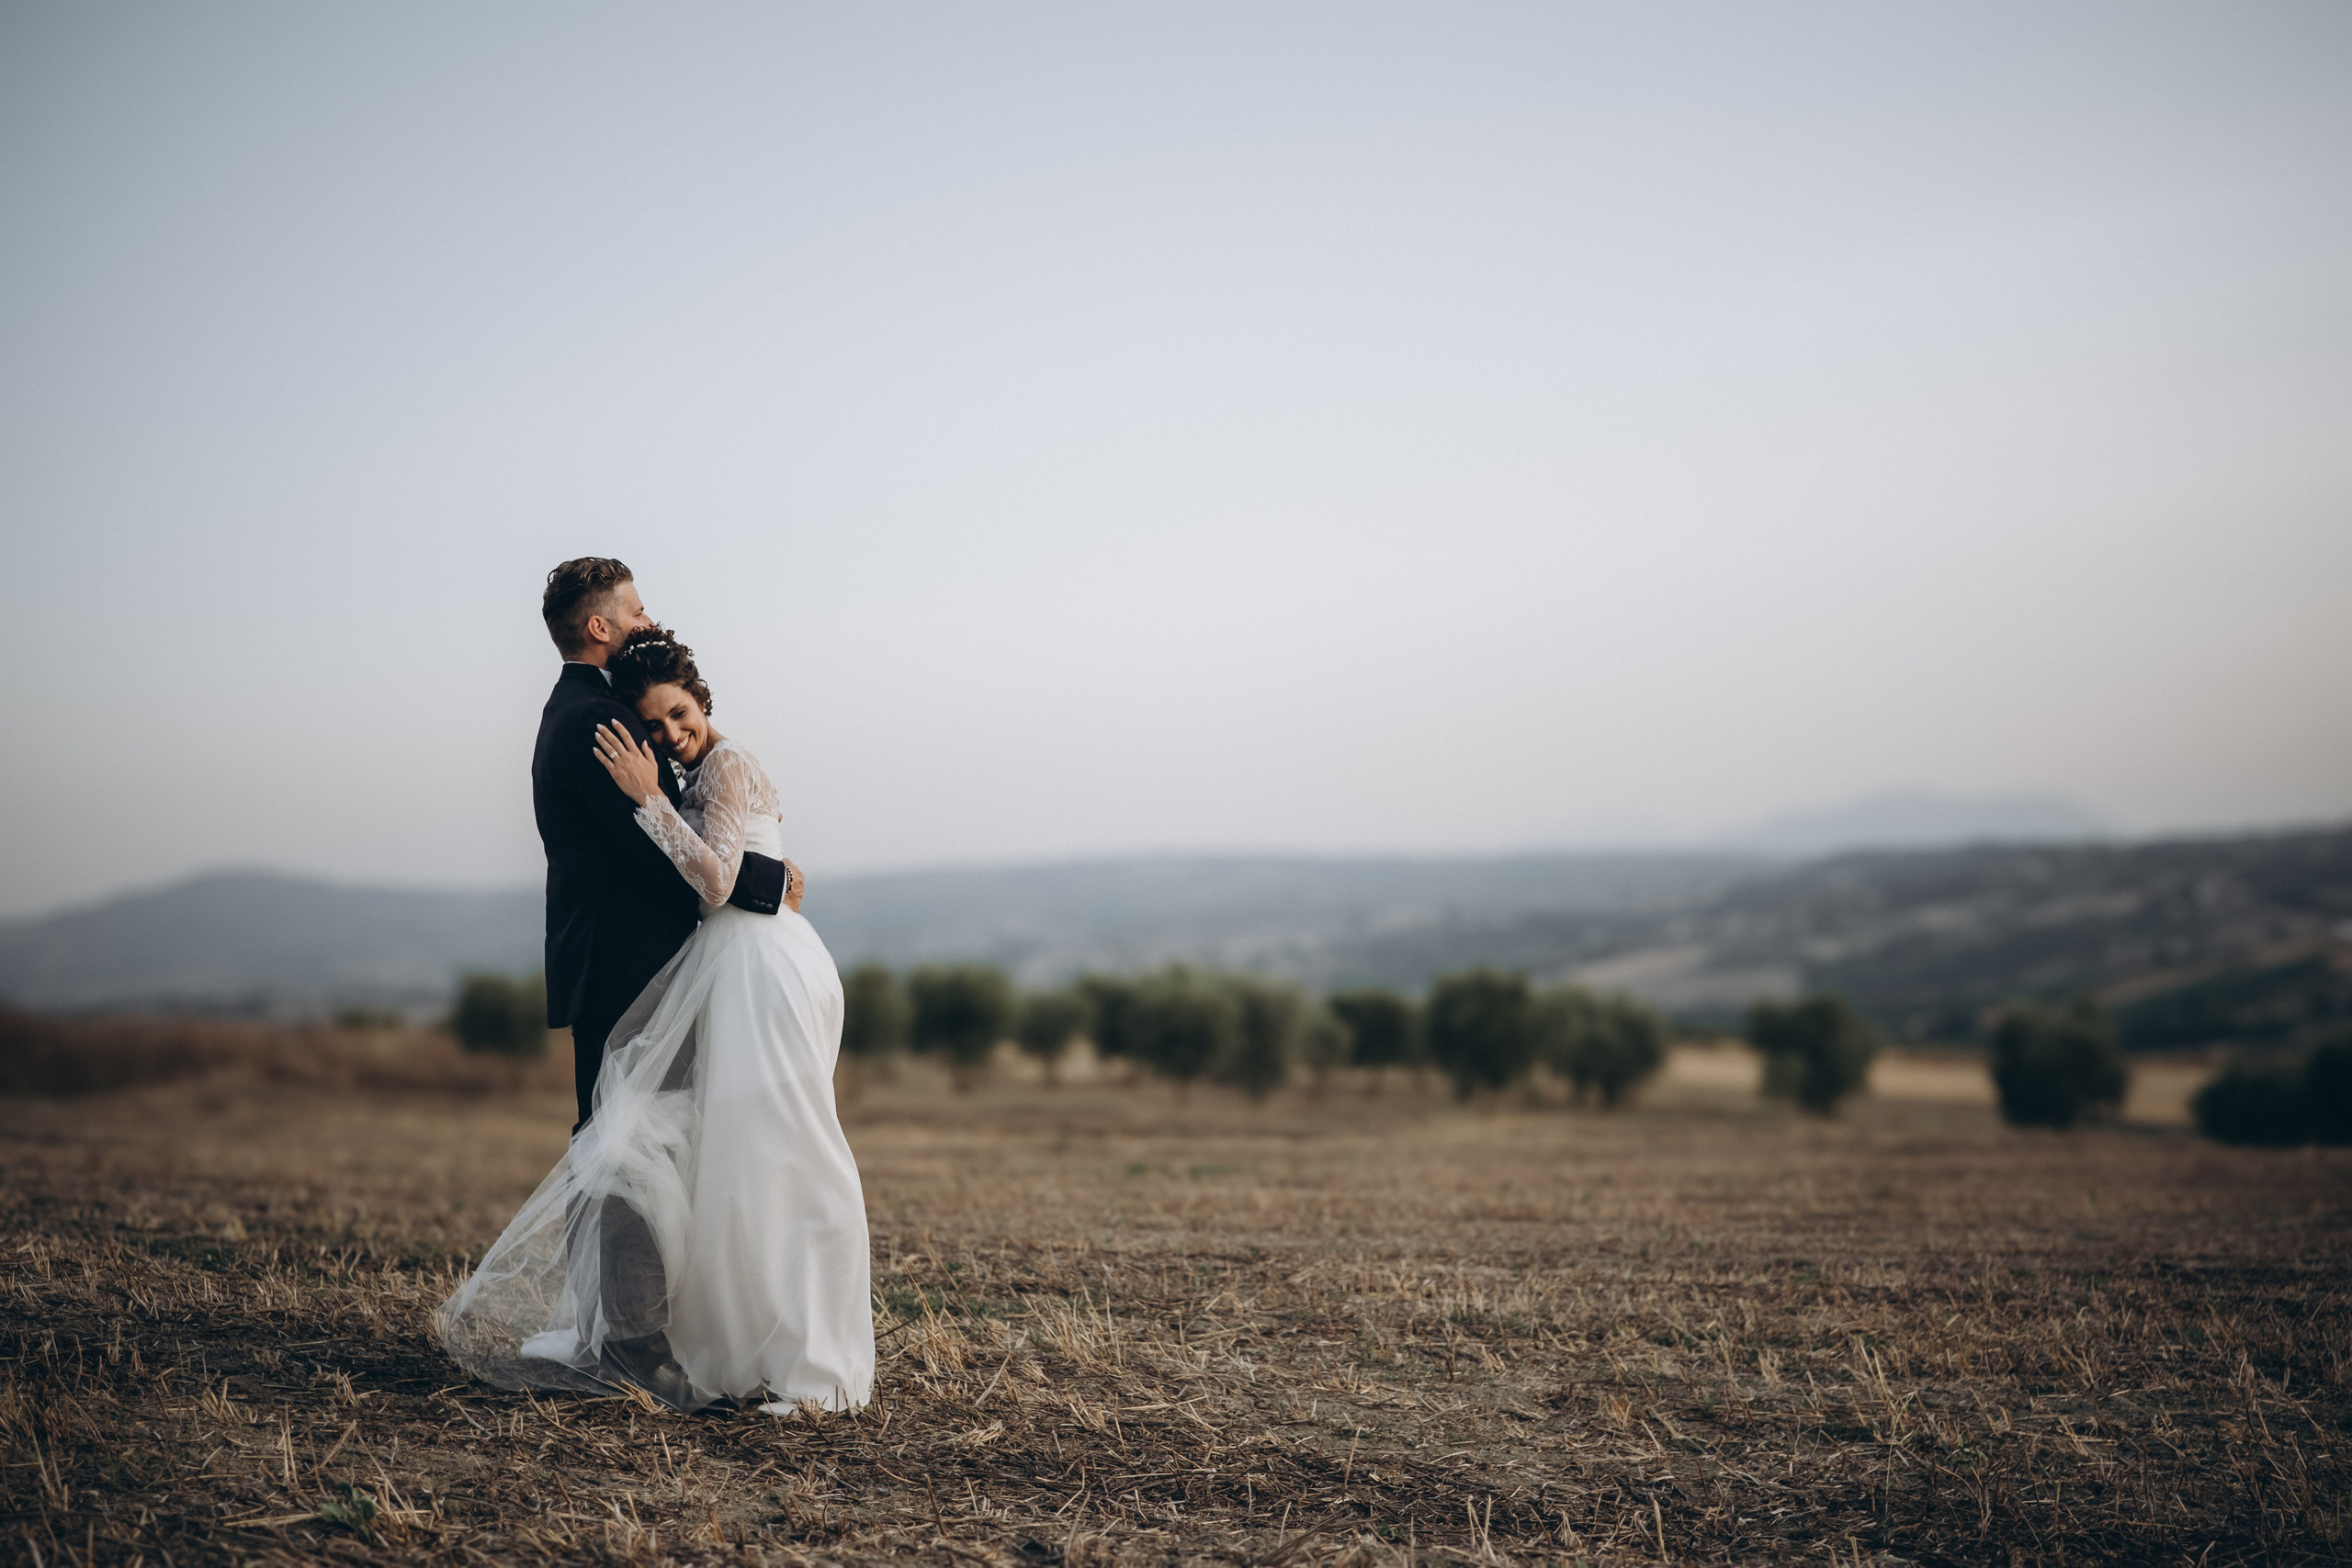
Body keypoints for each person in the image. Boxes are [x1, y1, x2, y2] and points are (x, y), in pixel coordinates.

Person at [434, 595, 872, 1414]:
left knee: (773, 1152)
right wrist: (766, 873)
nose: (668, 733)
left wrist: (680, 814)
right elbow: (697, 871)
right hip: (678, 967)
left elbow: (710, 865)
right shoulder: (597, 724)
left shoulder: (687, 750)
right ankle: (648, 1342)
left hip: (757, 971)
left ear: (700, 698)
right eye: (632, 605)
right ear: (599, 623)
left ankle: (803, 1353)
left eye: (678, 714)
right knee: (698, 1159)